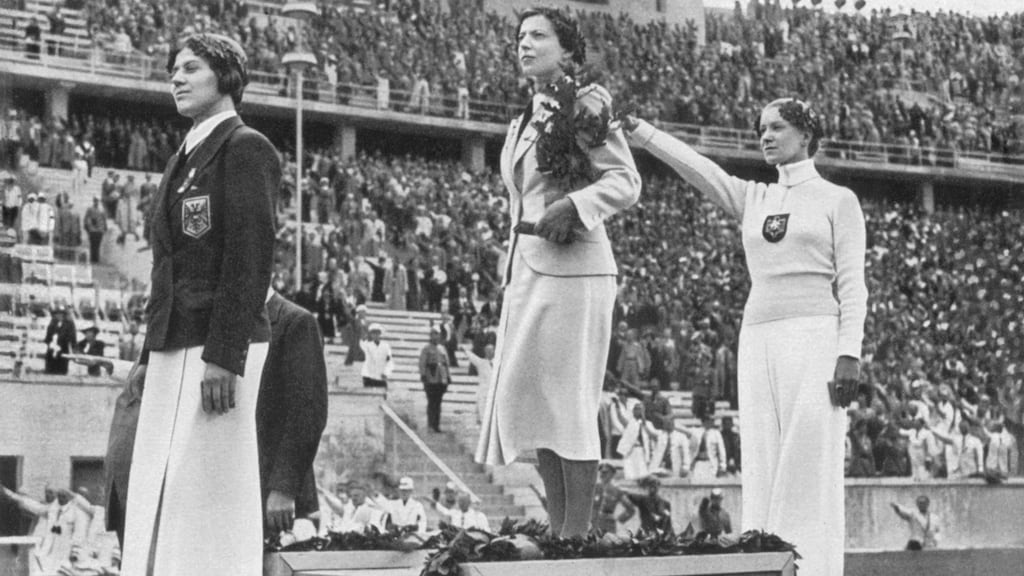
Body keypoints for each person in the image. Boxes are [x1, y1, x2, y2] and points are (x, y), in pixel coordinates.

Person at [625, 97, 867, 576]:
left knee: (809, 458)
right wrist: (641, 131)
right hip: (757, 337)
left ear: (807, 135)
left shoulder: (839, 199)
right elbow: (698, 167)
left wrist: (849, 353)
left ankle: (814, 569)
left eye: (777, 127)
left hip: (816, 337)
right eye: (761, 128)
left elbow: (854, 283)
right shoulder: (754, 197)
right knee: (761, 457)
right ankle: (769, 564)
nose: (766, 135)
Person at [475, 7, 641, 539]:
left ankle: (577, 533)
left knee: (569, 401)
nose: (525, 43)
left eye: (538, 35)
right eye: (520, 36)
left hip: (577, 270)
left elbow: (625, 181)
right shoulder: (522, 117)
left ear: (567, 50)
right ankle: (559, 526)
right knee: (535, 400)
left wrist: (575, 205)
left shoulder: (587, 103)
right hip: (528, 269)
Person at [121, 33, 279, 576]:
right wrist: (147, 355)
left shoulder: (245, 146)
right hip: (173, 340)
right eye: (172, 70)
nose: (177, 78)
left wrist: (224, 355)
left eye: (191, 68)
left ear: (226, 77)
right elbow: (166, 267)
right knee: (159, 485)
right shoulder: (180, 158)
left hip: (216, 346)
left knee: (211, 487)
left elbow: (249, 258)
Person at [258, 288, 329, 538]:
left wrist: (284, 488)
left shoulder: (295, 321)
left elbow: (308, 412)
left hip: (279, 500)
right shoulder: (228, 325)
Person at [419, 326, 451, 432]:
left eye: (437, 334)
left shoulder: (442, 348)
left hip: (440, 378)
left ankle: (436, 425)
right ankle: (430, 425)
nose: (436, 337)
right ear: (430, 336)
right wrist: (423, 375)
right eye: (433, 334)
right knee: (431, 402)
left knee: (438, 403)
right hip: (430, 377)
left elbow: (446, 363)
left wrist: (448, 376)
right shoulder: (426, 348)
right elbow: (422, 363)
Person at [591, 462, 636, 535]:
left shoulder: (616, 491)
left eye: (605, 473)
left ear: (612, 474)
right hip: (594, 523)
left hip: (609, 524)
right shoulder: (594, 489)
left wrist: (620, 519)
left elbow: (631, 509)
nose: (602, 475)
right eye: (601, 472)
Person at [462, 343, 494, 424]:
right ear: (485, 352)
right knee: (483, 411)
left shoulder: (497, 364)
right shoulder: (481, 363)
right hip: (484, 391)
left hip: (494, 392)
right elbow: (472, 357)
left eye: (492, 350)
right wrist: (465, 350)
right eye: (488, 350)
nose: (490, 352)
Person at [360, 323, 395, 390]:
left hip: (381, 375)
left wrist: (386, 372)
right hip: (368, 375)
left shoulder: (385, 346)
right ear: (370, 334)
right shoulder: (367, 345)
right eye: (373, 333)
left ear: (380, 334)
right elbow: (362, 343)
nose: (375, 335)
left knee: (382, 394)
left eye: (377, 333)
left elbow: (389, 361)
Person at [44, 305, 76, 375]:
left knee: (62, 370)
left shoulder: (69, 324)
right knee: (50, 370)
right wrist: (51, 344)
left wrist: (63, 343)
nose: (59, 315)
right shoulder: (52, 323)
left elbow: (72, 338)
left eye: (61, 313)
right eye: (57, 313)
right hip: (51, 351)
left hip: (63, 350)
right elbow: (47, 338)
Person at [83, 197, 107, 264]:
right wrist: (87, 228)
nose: (96, 202)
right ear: (94, 201)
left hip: (98, 230)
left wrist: (104, 228)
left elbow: (104, 220)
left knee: (97, 245)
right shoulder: (91, 209)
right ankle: (93, 259)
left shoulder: (101, 210)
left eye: (97, 201)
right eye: (95, 201)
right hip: (93, 230)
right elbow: (86, 219)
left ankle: (95, 259)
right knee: (93, 245)